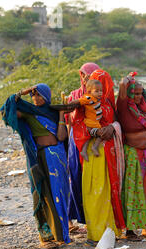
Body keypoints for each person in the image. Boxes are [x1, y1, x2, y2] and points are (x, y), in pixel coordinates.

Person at [0, 84, 71, 249]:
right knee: (42, 193)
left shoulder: (54, 112)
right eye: (32, 95)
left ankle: (61, 235)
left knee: (60, 193)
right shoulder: (29, 112)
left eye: (39, 95)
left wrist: (61, 114)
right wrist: (20, 93)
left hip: (57, 157)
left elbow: (61, 136)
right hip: (38, 157)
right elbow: (6, 111)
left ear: (47, 96)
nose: (35, 98)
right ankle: (46, 237)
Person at [72, 69, 125, 245]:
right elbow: (77, 123)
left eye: (106, 84)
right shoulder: (86, 103)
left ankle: (110, 230)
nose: (104, 89)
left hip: (108, 151)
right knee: (94, 190)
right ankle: (95, 233)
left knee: (108, 190)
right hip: (93, 151)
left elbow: (117, 122)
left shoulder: (109, 103)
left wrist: (111, 127)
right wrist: (93, 133)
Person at [117, 73, 146, 240]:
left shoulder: (142, 109)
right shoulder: (124, 107)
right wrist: (128, 79)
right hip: (133, 153)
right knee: (133, 191)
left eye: (140, 93)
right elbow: (123, 87)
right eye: (134, 93)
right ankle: (130, 229)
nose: (137, 97)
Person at [66, 62, 100, 231]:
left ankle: (90, 218)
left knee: (91, 178)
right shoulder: (75, 95)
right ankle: (71, 218)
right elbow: (69, 121)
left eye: (93, 74)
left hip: (92, 138)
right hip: (75, 140)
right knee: (75, 176)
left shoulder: (100, 94)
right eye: (86, 74)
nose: (88, 78)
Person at [78, 79, 104, 161]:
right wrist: (69, 103)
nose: (100, 93)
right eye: (97, 91)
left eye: (101, 91)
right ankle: (94, 147)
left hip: (94, 123)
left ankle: (84, 151)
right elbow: (79, 101)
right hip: (92, 123)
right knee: (101, 135)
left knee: (88, 137)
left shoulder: (95, 99)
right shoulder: (88, 98)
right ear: (89, 91)